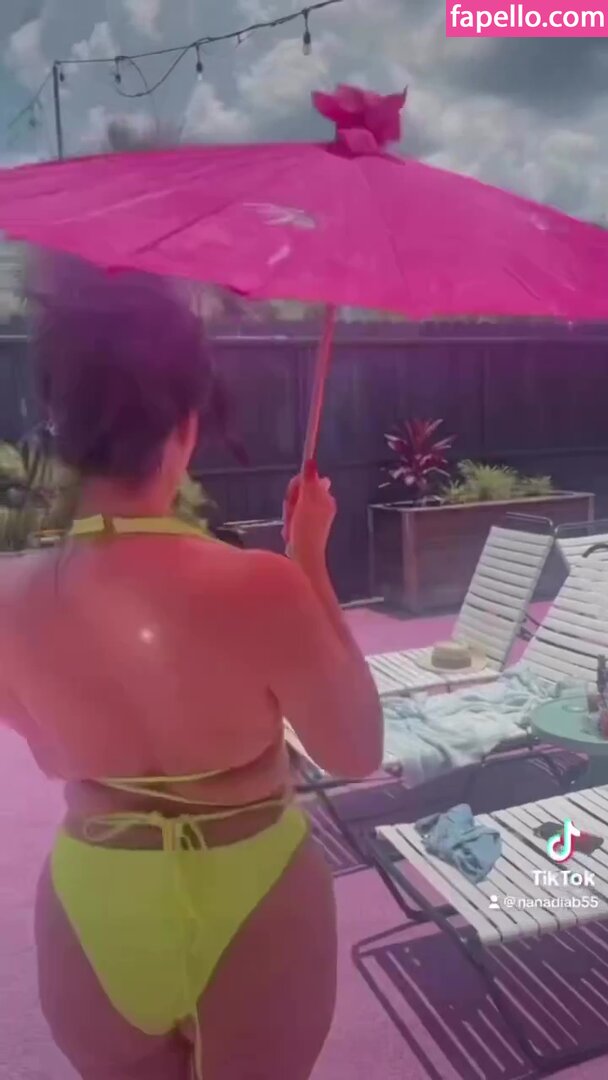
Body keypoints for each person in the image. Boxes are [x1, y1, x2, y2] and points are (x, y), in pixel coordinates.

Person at [0, 256, 383, 1080]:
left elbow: (45, 739)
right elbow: (355, 750)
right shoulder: (260, 587)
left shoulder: (8, 597)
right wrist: (310, 562)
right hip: (254, 887)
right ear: (188, 420)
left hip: (97, 894)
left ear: (59, 421)